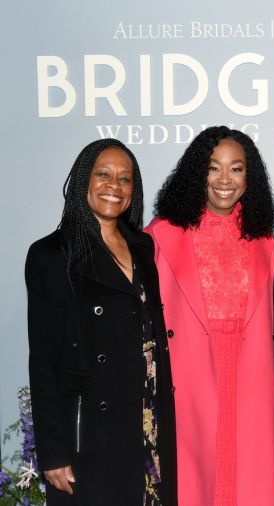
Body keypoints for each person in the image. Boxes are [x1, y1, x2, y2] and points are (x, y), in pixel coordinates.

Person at [25, 139, 177, 506]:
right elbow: (43, 362)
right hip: (90, 429)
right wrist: (54, 452)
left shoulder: (143, 247)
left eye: (125, 179)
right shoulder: (51, 254)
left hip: (147, 416)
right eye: (103, 175)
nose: (114, 186)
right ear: (82, 180)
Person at [145, 126, 274, 506]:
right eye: (213, 168)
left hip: (252, 376)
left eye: (236, 169)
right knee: (192, 480)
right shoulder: (160, 235)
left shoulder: (265, 239)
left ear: (248, 177)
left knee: (250, 480)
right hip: (186, 378)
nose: (225, 180)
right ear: (196, 173)